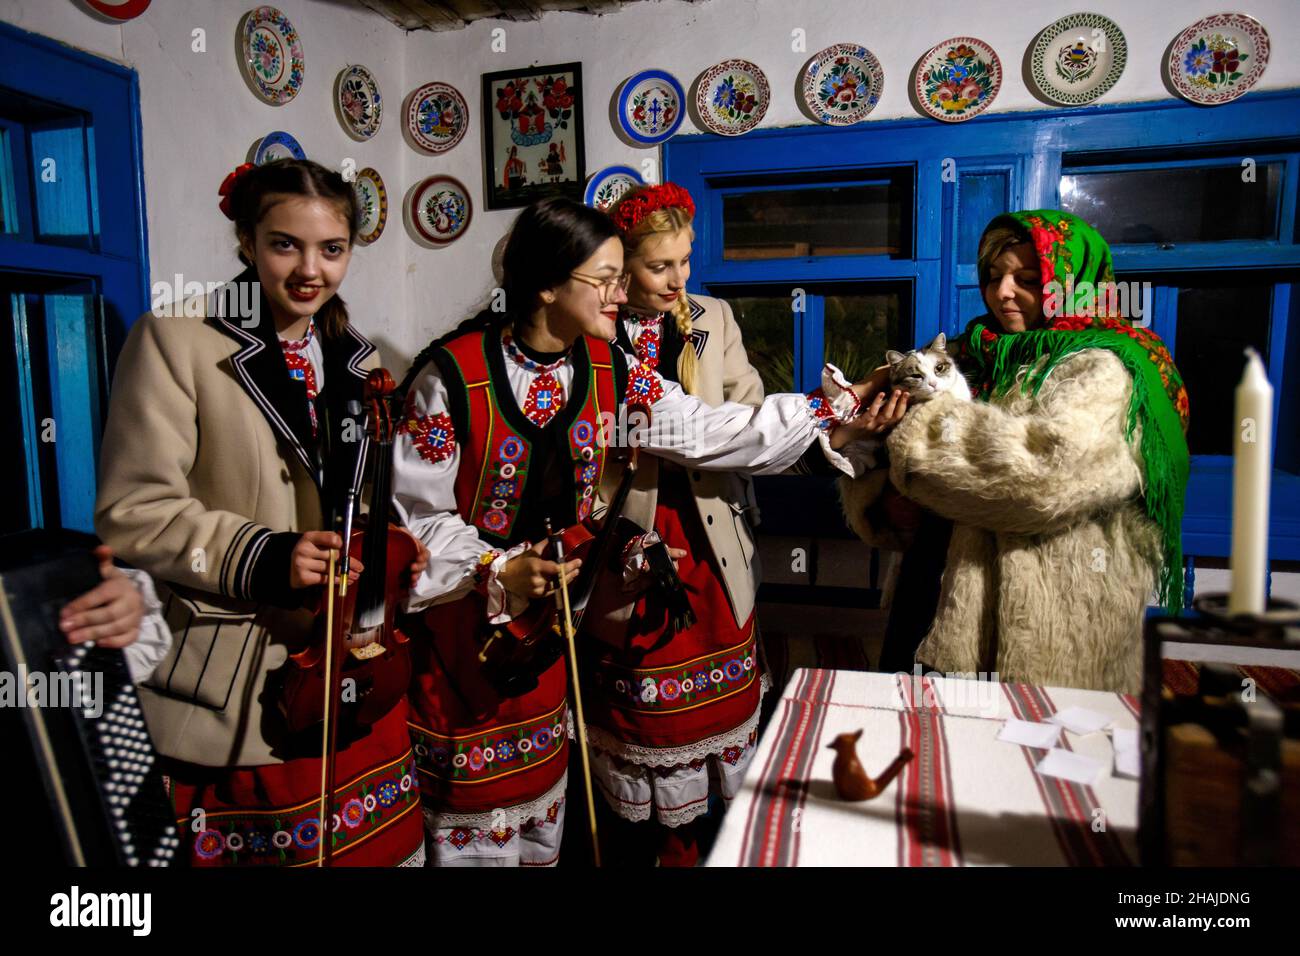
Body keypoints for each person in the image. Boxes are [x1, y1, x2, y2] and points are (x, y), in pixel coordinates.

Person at [393, 196, 887, 866]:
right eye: (606, 279)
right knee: (474, 820)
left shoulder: (612, 372)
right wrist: (494, 569)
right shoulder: (452, 375)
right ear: (544, 284)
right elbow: (414, 522)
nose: (621, 293)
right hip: (459, 629)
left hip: (548, 624)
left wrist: (832, 410)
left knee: (546, 813)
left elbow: (714, 431)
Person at [95, 159, 428, 866]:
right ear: (246, 241)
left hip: (347, 672)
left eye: (331, 250)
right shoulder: (175, 338)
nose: (311, 269)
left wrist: (391, 542)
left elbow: (360, 496)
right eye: (285, 245)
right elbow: (134, 509)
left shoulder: (357, 358)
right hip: (237, 675)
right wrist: (264, 554)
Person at [841, 210, 1189, 692]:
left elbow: (1045, 478)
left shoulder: (1104, 368)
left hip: (1047, 614)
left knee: (1028, 752)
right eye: (992, 277)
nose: (1003, 292)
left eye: (1027, 279)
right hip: (935, 589)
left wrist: (916, 433)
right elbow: (884, 457)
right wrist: (881, 492)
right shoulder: (966, 354)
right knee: (923, 749)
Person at [572, 182, 771, 865]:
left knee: (717, 724)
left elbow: (749, 410)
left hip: (711, 537)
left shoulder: (713, 316)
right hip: (635, 543)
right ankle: (646, 846)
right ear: (620, 265)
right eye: (661, 266)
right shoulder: (589, 328)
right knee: (642, 724)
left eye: (685, 261)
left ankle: (707, 845)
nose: (679, 278)